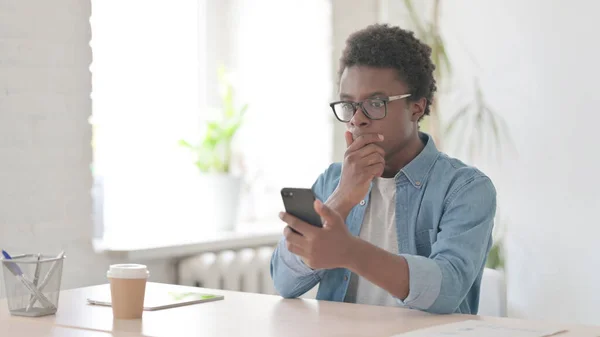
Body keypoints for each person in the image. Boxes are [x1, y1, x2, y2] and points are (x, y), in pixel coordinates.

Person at [270, 23, 496, 315]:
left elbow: (447, 290)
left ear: (416, 107)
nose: (358, 119)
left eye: (376, 103)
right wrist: (342, 197)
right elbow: (283, 282)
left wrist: (350, 252)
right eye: (349, 105)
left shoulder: (465, 189)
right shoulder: (332, 181)